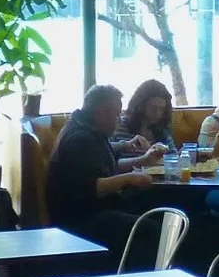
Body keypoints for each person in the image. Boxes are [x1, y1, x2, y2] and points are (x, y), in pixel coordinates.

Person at [47, 84, 154, 252]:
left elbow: (105, 165)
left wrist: (141, 158)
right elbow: (92, 187)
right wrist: (130, 178)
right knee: (150, 229)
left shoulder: (87, 128)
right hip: (80, 220)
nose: (119, 119)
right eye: (117, 114)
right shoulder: (80, 139)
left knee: (152, 209)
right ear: (103, 112)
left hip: (95, 210)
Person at [113, 78, 176, 159]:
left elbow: (173, 156)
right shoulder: (120, 125)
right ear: (140, 105)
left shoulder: (162, 128)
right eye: (153, 107)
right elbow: (113, 162)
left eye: (161, 109)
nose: (157, 113)